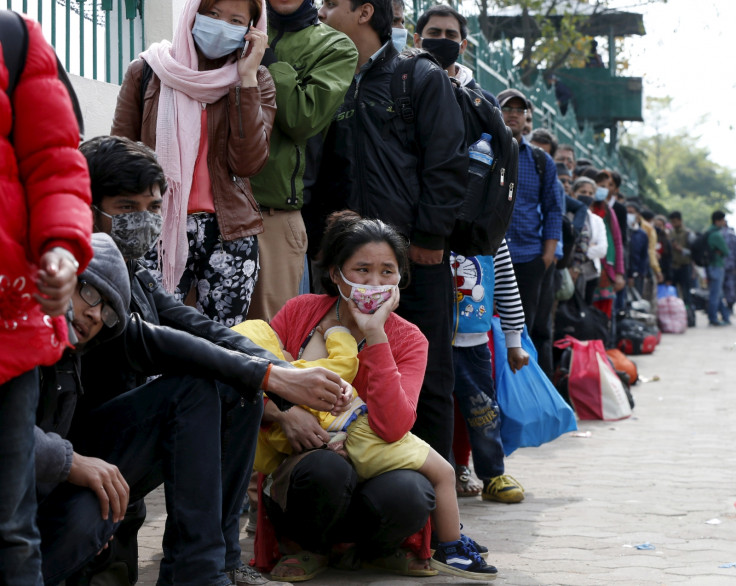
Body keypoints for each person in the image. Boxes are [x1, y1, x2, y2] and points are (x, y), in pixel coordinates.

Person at [77, 135, 351, 585]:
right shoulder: (76, 272)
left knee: (232, 383)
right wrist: (272, 377)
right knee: (196, 386)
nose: (142, 221)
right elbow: (153, 341)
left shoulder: (132, 270)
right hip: (75, 452)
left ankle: (220, 562)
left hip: (117, 445)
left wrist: (280, 374)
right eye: (126, 208)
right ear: (86, 205)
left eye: (151, 207)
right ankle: (196, 573)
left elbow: (199, 326)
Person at [252, 212, 496, 581]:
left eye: (387, 271)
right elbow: (256, 381)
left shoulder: (409, 338)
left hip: (376, 463)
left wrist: (376, 335)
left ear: (400, 279)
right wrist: (286, 416)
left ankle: (375, 550)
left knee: (412, 491)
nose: (374, 282)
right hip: (306, 465)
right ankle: (309, 548)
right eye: (362, 269)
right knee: (325, 469)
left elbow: (394, 426)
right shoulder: (299, 312)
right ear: (336, 274)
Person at [316, 0, 468, 460]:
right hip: (352, 264)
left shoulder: (418, 76)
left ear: (364, 12)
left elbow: (447, 161)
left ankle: (432, 496)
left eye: (331, 3)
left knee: (428, 373)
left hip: (413, 259)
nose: (322, 11)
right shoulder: (334, 78)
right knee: (354, 368)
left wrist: (428, 239)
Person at [111, 0, 276, 324]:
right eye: (212, 14)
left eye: (235, 20)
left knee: (225, 349)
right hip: (156, 227)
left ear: (250, 31)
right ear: (193, 14)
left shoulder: (257, 80)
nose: (220, 25)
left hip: (229, 233)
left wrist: (246, 81)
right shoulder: (147, 71)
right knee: (150, 334)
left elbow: (248, 163)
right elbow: (118, 155)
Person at [0, 10, 93, 585]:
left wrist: (61, 247)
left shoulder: (13, 41)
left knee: (10, 525)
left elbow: (55, 163)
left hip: (7, 330)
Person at [245, 0, 358, 322]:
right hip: (210, 207)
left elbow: (302, 118)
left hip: (272, 214)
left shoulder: (334, 45)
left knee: (269, 339)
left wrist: (265, 59)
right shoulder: (234, 23)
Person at [449, 240, 529, 504]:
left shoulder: (492, 230)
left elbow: (507, 285)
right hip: (430, 342)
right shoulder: (427, 219)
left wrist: (514, 341)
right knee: (434, 412)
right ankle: (438, 474)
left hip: (474, 344)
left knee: (483, 412)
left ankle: (493, 475)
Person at [497, 87, 562, 378]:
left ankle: (525, 392)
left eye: (519, 110)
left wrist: (546, 257)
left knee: (525, 330)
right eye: (507, 108)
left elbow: (553, 209)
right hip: (487, 256)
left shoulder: (540, 160)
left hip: (527, 258)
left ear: (526, 119)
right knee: (486, 328)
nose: (513, 114)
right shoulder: (484, 148)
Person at [413, 4, 499, 107]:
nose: (443, 39)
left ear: (462, 46)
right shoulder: (401, 89)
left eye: (451, 35)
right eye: (434, 33)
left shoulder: (486, 103)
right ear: (417, 41)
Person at [706, 210, 731, 326]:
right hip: (716, 266)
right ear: (718, 221)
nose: (723, 223)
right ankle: (713, 319)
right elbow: (726, 251)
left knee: (718, 294)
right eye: (722, 221)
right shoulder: (716, 234)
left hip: (711, 266)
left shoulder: (709, 232)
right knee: (715, 294)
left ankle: (725, 317)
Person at [668, 211, 693, 308]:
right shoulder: (670, 233)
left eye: (675, 221)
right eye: (672, 222)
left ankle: (688, 314)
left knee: (686, 292)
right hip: (673, 267)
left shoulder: (688, 233)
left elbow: (692, 252)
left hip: (685, 266)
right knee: (672, 292)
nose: (673, 224)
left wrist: (680, 249)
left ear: (680, 221)